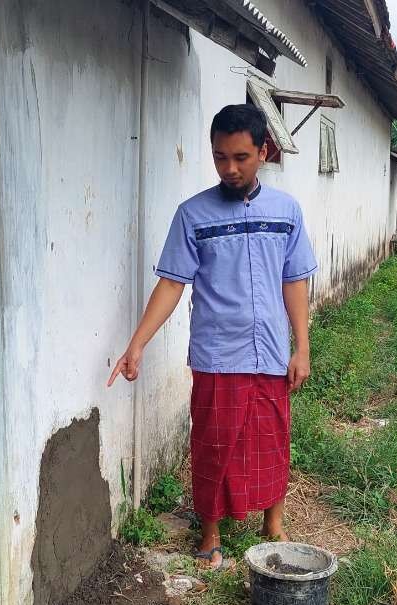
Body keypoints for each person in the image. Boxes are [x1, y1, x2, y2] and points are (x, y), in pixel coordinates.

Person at [107, 104, 317, 569]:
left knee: (271, 439)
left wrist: (301, 347)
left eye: (241, 157)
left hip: (269, 354)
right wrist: (137, 343)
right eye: (220, 157)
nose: (230, 168)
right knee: (213, 443)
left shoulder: (286, 212)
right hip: (218, 354)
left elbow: (294, 280)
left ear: (264, 151)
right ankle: (209, 532)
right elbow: (172, 283)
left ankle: (273, 524)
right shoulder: (193, 215)